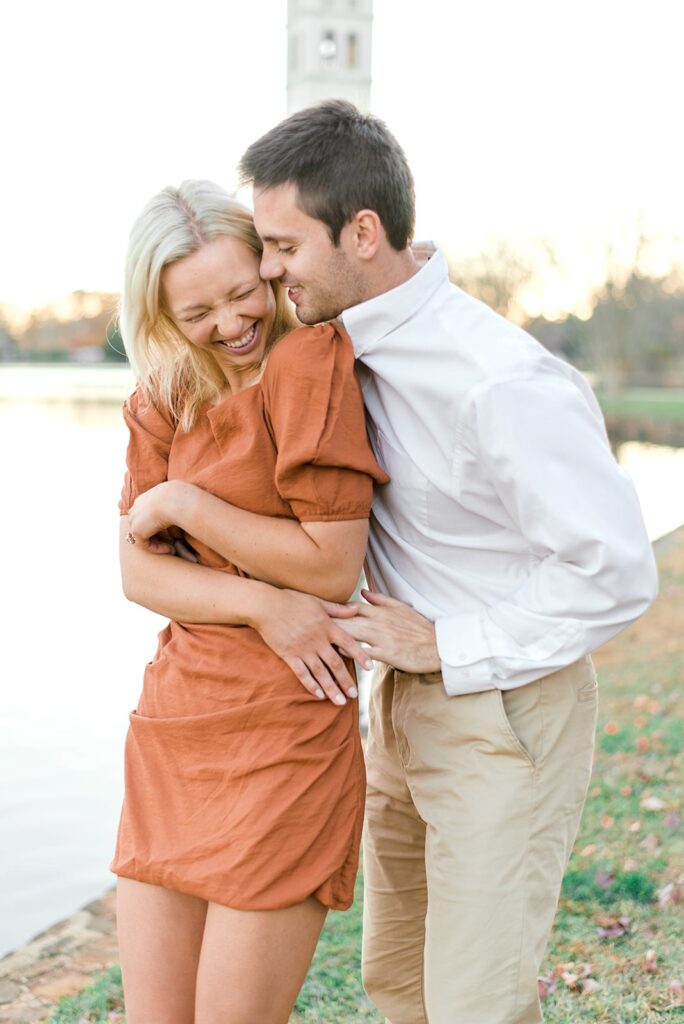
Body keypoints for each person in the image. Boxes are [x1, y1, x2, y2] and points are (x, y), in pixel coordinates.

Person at [237, 100, 659, 1024]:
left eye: (281, 246)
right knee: (400, 985)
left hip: (503, 706)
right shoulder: (329, 342)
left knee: (477, 1002)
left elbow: (617, 570)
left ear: (362, 231)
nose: (267, 271)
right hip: (399, 704)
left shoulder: (500, 380)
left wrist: (450, 644)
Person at [111, 178, 389, 1024]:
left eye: (243, 294)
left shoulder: (311, 363)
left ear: (271, 270)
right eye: (198, 312)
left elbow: (328, 567)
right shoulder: (162, 394)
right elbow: (138, 575)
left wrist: (191, 507)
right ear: (158, 314)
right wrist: (267, 607)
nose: (231, 325)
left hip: (287, 729)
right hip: (178, 723)